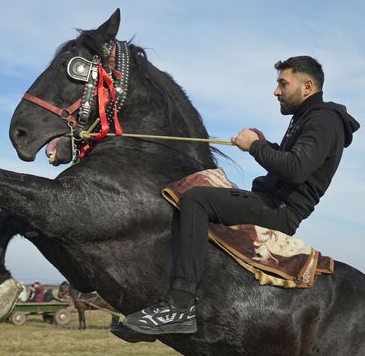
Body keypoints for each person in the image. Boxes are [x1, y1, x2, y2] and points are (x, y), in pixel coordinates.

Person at [124, 56, 360, 335]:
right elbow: (295, 163)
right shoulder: (308, 118)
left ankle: (180, 305)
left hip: (279, 210)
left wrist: (256, 146)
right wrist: (266, 144)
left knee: (196, 199)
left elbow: (296, 170)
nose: (276, 92)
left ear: (307, 86)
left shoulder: (323, 120)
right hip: (271, 202)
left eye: (283, 84)